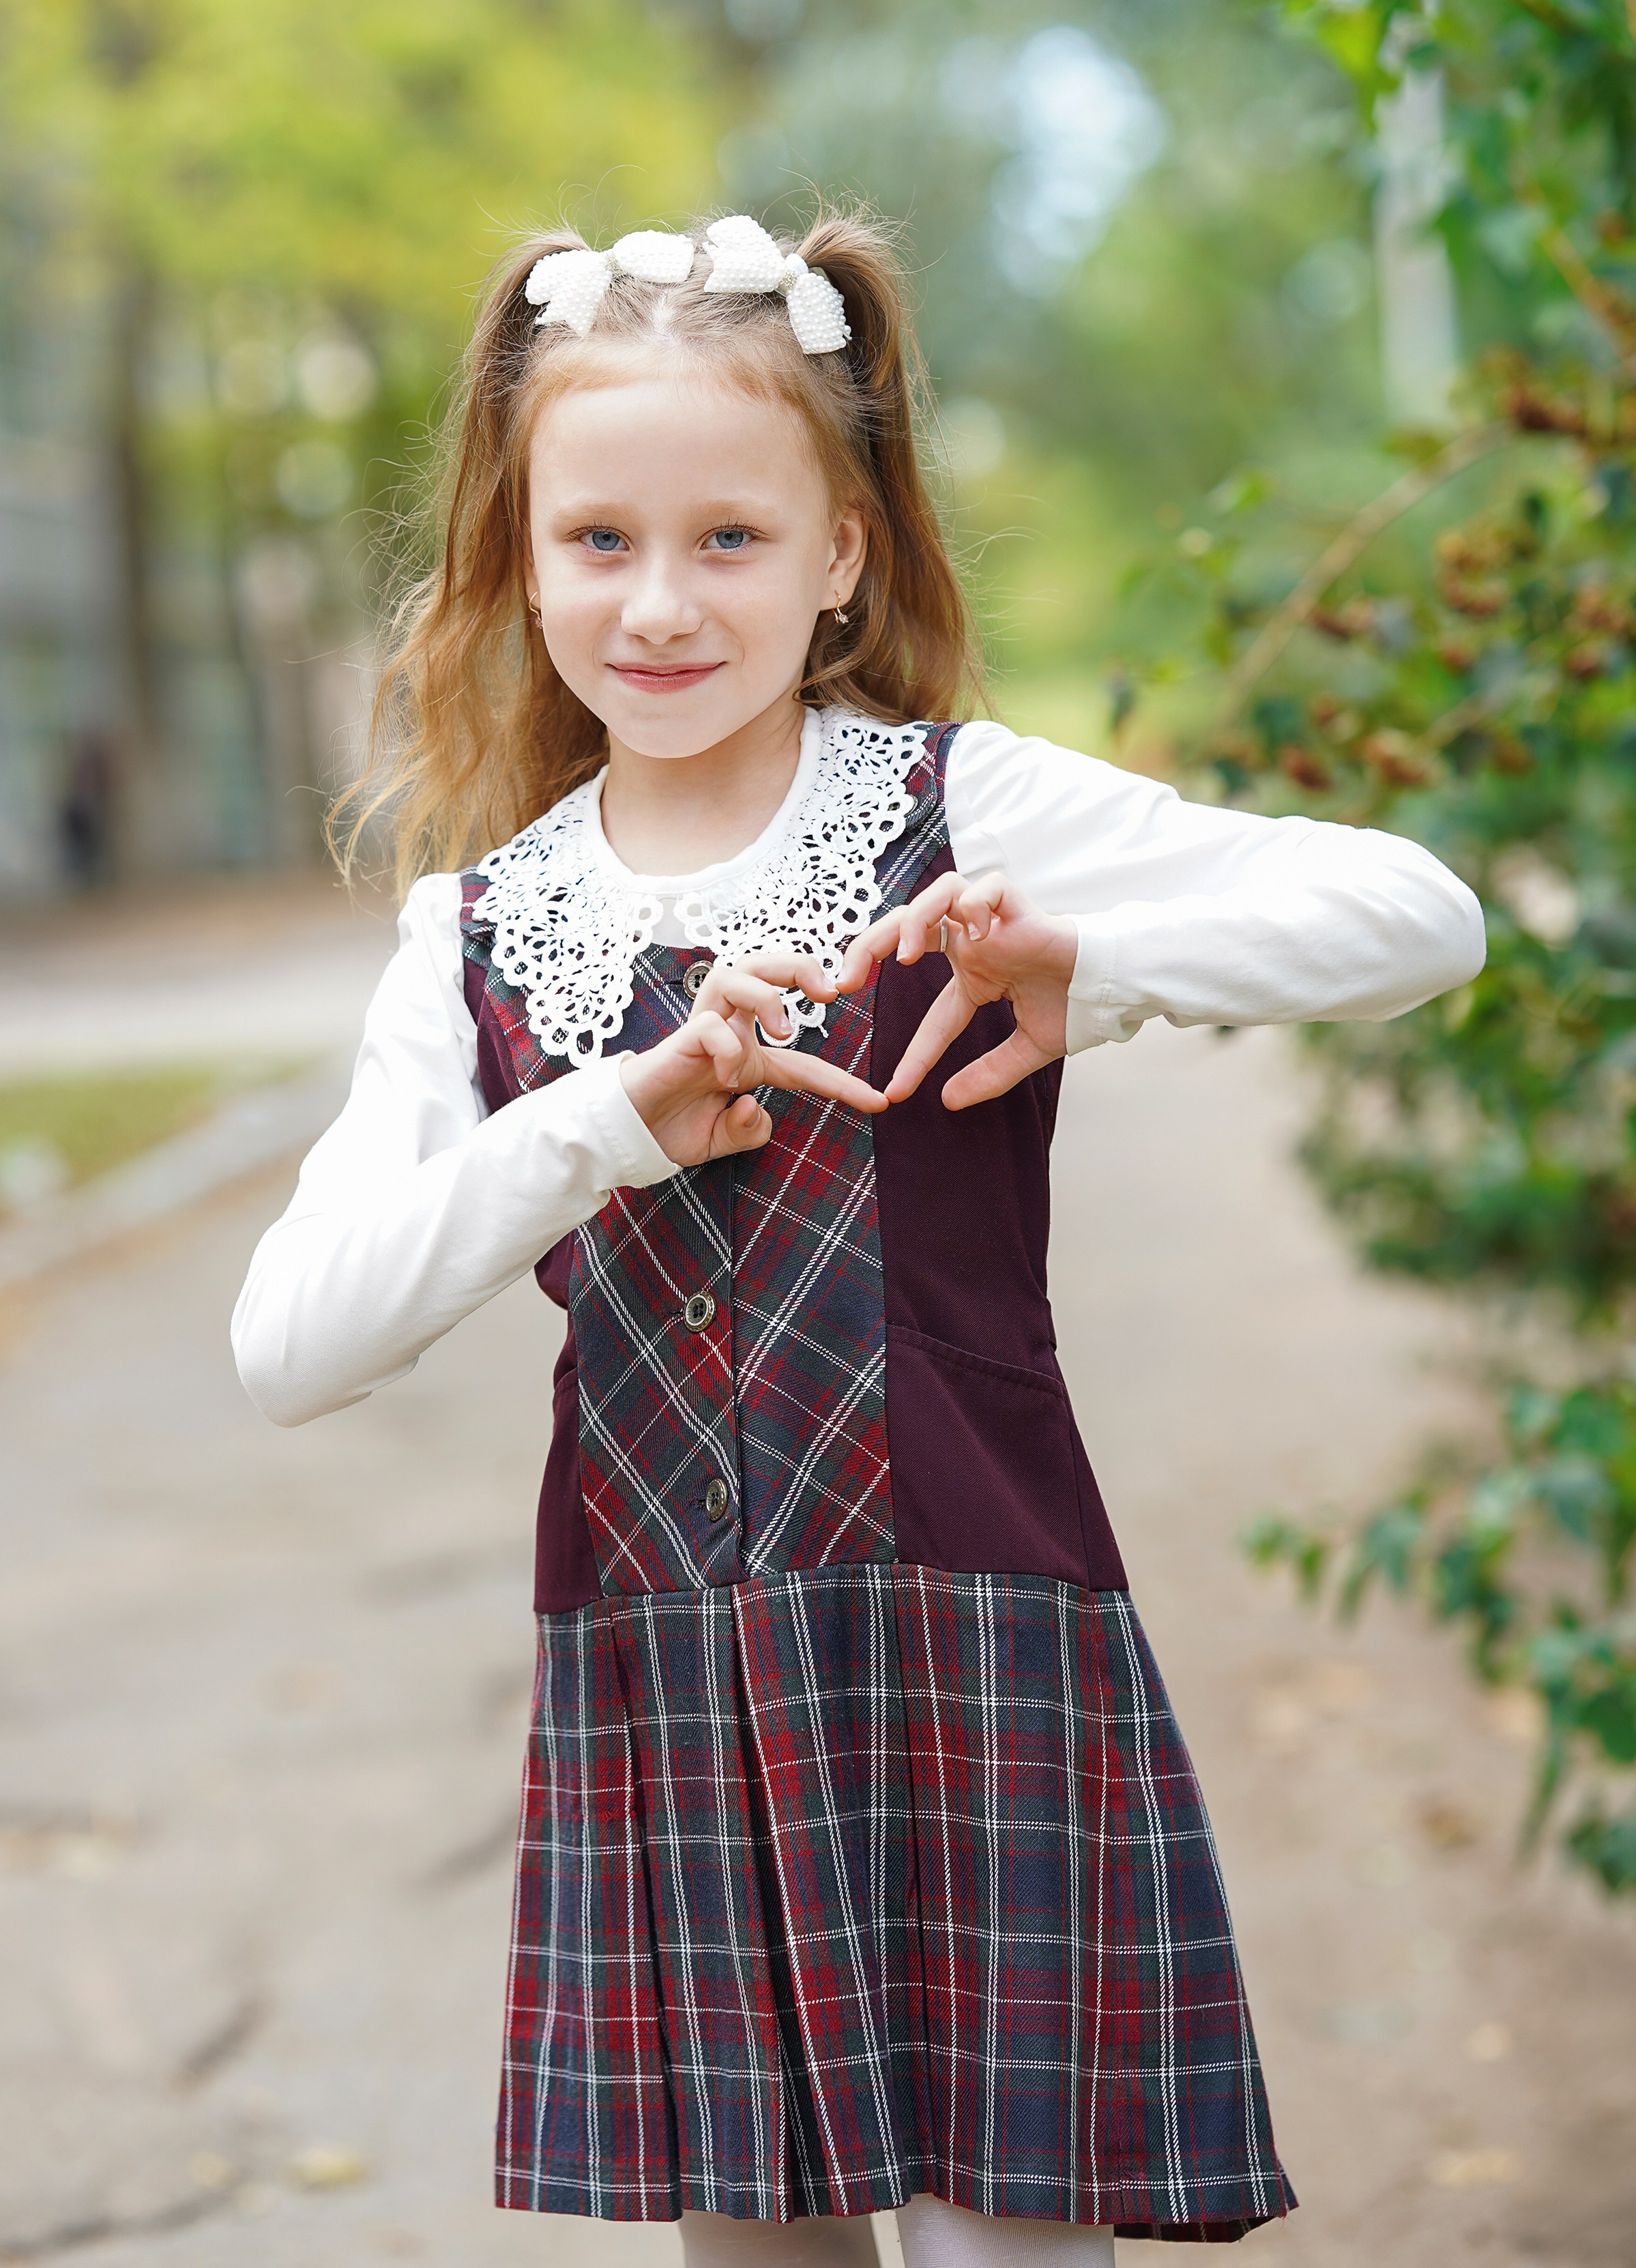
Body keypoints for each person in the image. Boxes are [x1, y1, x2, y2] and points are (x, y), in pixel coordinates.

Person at [232, 209, 1486, 2265]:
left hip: (973, 1643)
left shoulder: (955, 808)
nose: (658, 602)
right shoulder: (469, 945)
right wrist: (603, 1125)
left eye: (729, 537)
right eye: (599, 541)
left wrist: (1108, 960)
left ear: (843, 554)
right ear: (520, 556)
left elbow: (1414, 913)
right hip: (665, 1685)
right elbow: (289, 1346)